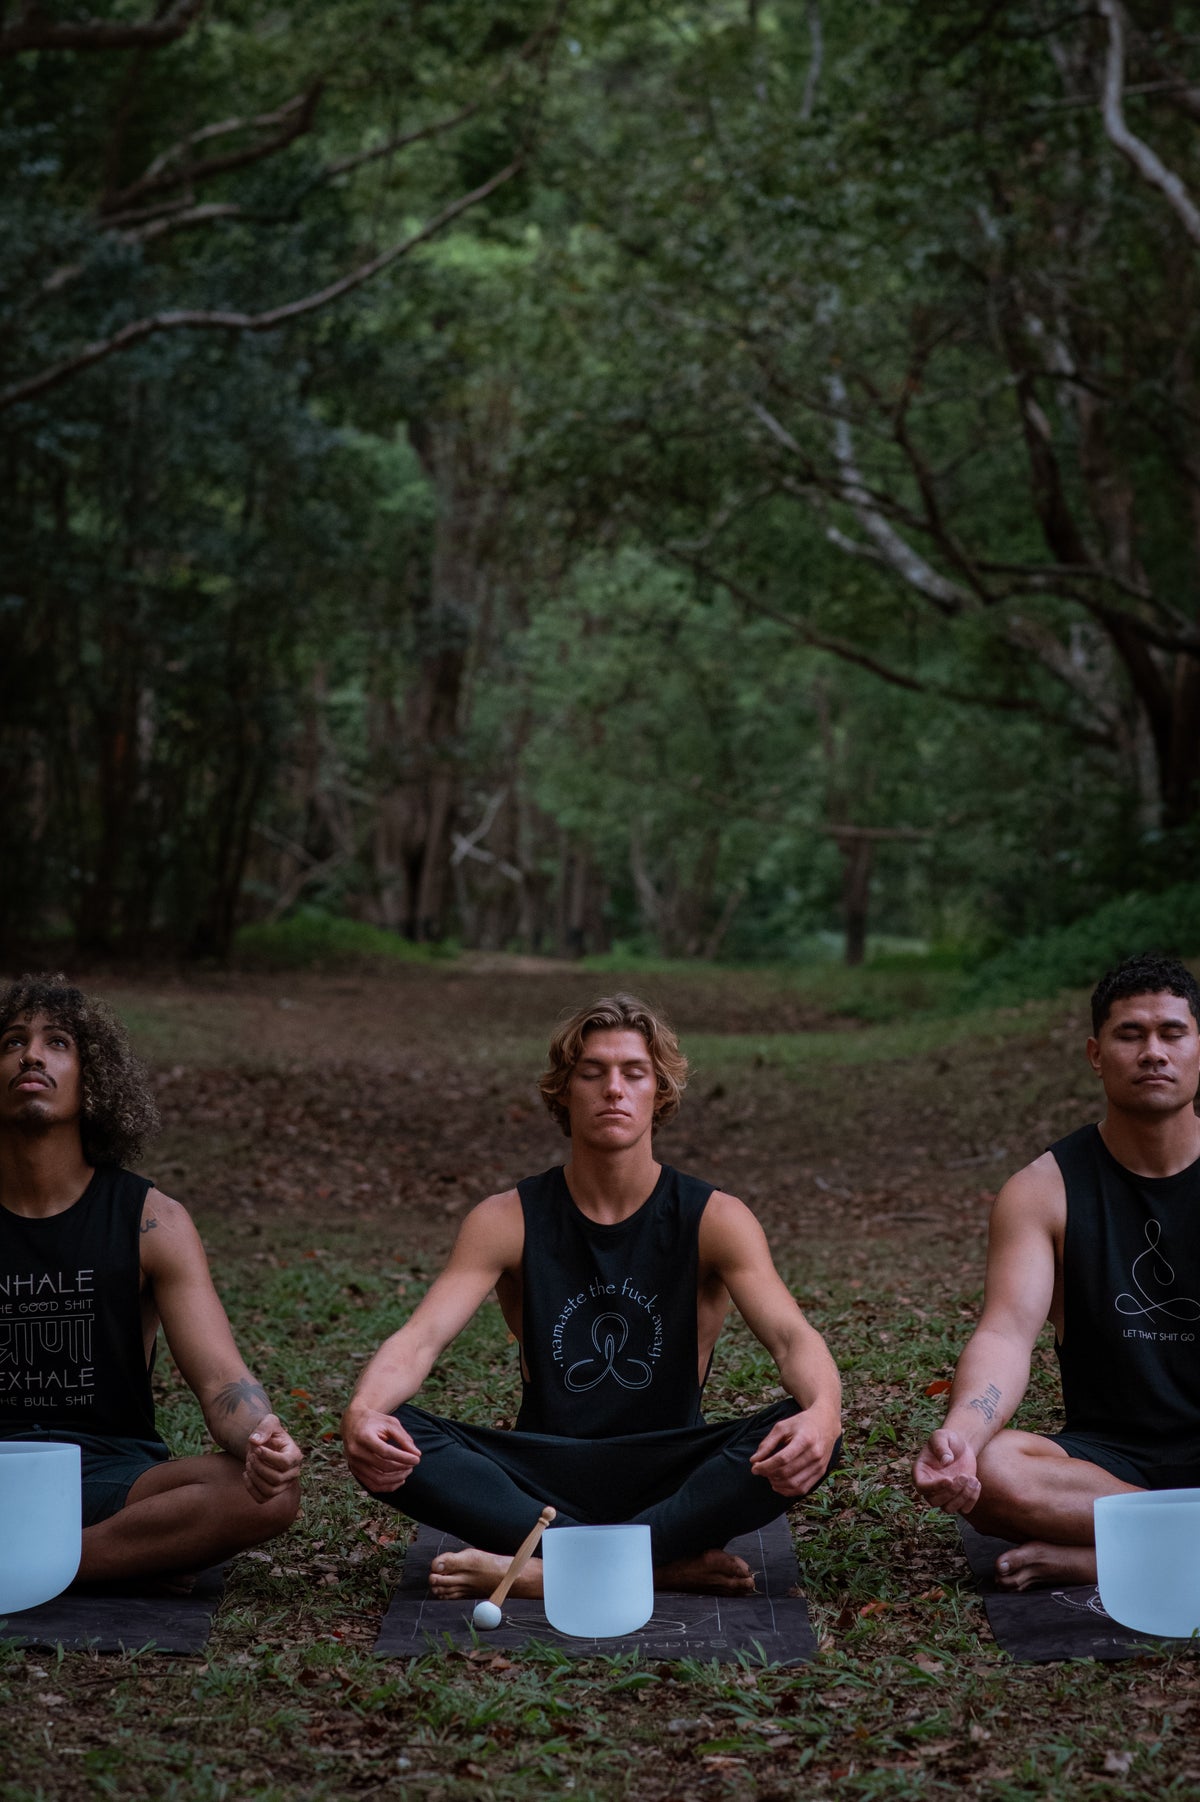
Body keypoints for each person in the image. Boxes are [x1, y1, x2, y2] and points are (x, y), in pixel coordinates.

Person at [342, 993, 842, 1600]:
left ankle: (547, 1570)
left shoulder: (716, 1217)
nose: (614, 1089)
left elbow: (793, 1339)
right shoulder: (507, 1218)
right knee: (387, 1432)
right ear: (564, 1091)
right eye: (592, 1072)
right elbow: (420, 1340)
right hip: (541, 1476)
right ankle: (651, 1568)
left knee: (810, 1426)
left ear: (659, 1093)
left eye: (634, 1073)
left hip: (671, 1474)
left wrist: (822, 1413)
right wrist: (365, 1410)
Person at [0, 974, 303, 1582]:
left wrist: (263, 1439)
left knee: (265, 1494)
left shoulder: (151, 1220)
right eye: (12, 1041)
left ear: (95, 1082)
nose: (32, 1054)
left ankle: (46, 1565)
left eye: (57, 1042)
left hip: (111, 1477)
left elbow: (222, 1383)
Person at [913, 952, 1200, 1590]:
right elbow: (1006, 1334)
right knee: (995, 1470)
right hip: (1108, 1461)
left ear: (1198, 1047)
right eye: (1131, 1034)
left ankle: (1121, 1554)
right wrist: (961, 1431)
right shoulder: (1044, 1190)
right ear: (1097, 1055)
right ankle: (1174, 1546)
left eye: (1172, 1033)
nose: (1154, 1052)